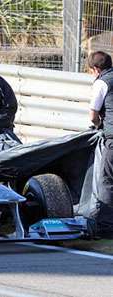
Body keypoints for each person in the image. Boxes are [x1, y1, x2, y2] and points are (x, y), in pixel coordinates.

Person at [88, 50, 113, 237]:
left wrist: (98, 126)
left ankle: (105, 227)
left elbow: (93, 114)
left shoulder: (102, 83)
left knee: (107, 181)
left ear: (96, 69)